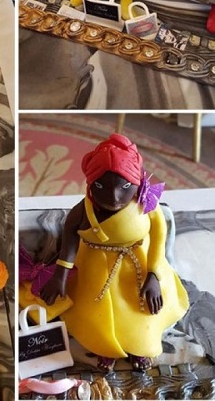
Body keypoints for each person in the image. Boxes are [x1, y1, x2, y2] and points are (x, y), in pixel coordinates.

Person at [41, 133, 189, 372]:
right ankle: (105, 348)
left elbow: (158, 237)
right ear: (91, 183)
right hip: (95, 269)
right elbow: (69, 240)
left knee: (139, 311)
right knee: (96, 313)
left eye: (124, 187)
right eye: (101, 186)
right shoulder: (83, 211)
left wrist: (153, 275)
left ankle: (138, 347)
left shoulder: (147, 204)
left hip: (137, 267)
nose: (114, 197)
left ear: (137, 182)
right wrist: (61, 275)